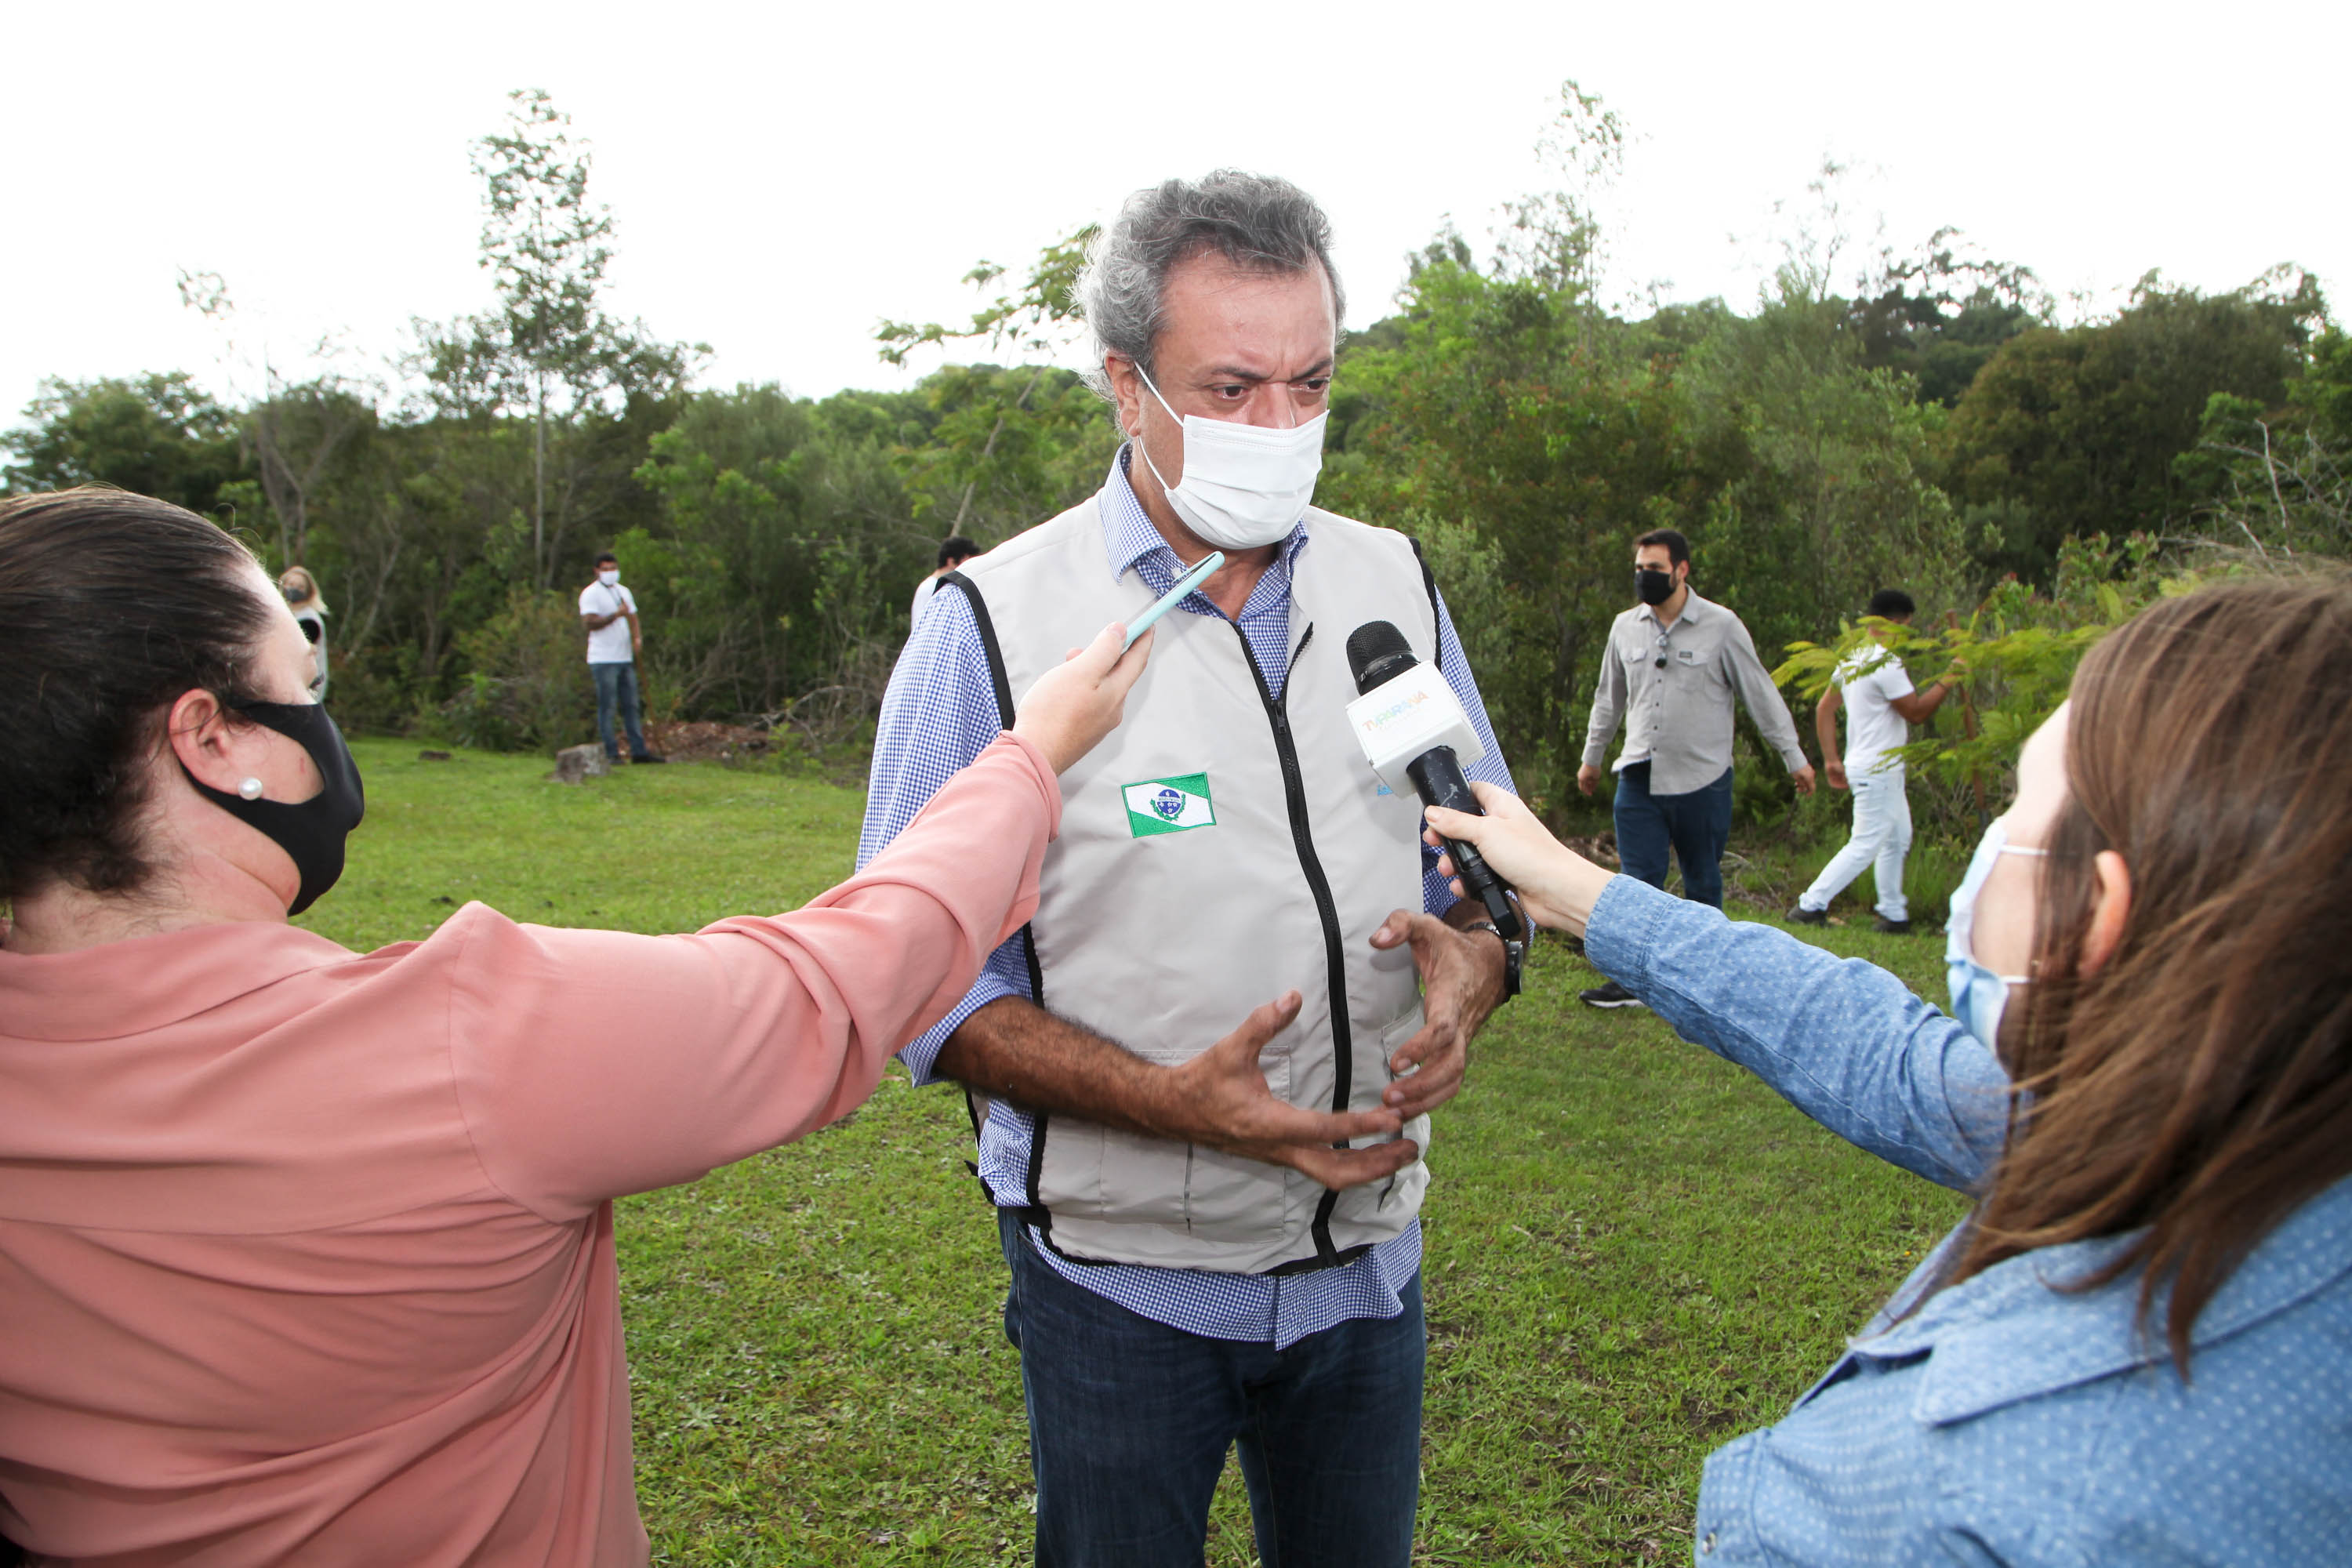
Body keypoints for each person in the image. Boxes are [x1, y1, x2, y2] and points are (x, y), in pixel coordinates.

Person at [0, 485, 1155, 1565]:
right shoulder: (462, 1049)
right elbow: (837, 979)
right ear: (210, 739)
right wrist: (1030, 754)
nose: (321, 721)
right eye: (298, 689)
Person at [859, 170, 1518, 1568]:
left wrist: (1480, 960)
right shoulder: (995, 625)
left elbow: (1478, 855)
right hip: (1124, 1296)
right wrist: (1172, 1105)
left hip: (1368, 1274)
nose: (1278, 430)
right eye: (1230, 389)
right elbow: (915, 983)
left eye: (1310, 384)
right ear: (1127, 387)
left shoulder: (1392, 585)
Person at [1423, 575, 2352, 1565]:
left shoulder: (1952, 1491)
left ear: (2094, 915)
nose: (1996, 845)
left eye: (2018, 811)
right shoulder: (2258, 1116)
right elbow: (1871, 1044)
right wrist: (1587, 894)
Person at [1575, 528, 1816, 1008]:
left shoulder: (1721, 626)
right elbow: (1608, 699)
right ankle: (1633, 982)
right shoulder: (1625, 627)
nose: (1645, 577)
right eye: (1639, 569)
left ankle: (1706, 981)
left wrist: (1794, 757)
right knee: (1637, 884)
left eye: (1655, 569)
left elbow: (1760, 694)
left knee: (1702, 881)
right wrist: (1592, 758)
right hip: (1639, 775)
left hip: (1702, 780)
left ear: (1682, 570)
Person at [1788, 588, 1957, 934]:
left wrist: (1832, 760)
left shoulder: (1854, 658)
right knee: (1866, 842)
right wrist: (1951, 676)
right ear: (1891, 623)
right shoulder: (1885, 663)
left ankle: (1893, 914)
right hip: (1878, 769)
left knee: (1897, 838)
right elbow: (1916, 712)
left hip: (1873, 766)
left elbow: (1825, 708)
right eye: (1905, 627)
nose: (1906, 635)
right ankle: (1810, 906)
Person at [579, 550, 661, 764]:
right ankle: (611, 753)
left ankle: (639, 752)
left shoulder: (623, 591)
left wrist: (637, 637)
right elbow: (589, 623)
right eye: (605, 569)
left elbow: (633, 616)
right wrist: (615, 614)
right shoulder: (591, 594)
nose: (610, 572)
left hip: (624, 657)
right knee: (608, 706)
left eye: (613, 568)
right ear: (597, 571)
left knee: (631, 705)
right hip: (603, 659)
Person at [278, 564, 328, 699]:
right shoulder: (285, 613)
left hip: (306, 690)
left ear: (308, 592)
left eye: (300, 587)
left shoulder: (309, 620)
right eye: (291, 584)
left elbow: (294, 650)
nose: (294, 589)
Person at [911, 535, 980, 629]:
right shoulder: (928, 588)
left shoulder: (952, 587)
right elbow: (919, 627)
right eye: (966, 562)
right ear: (951, 562)